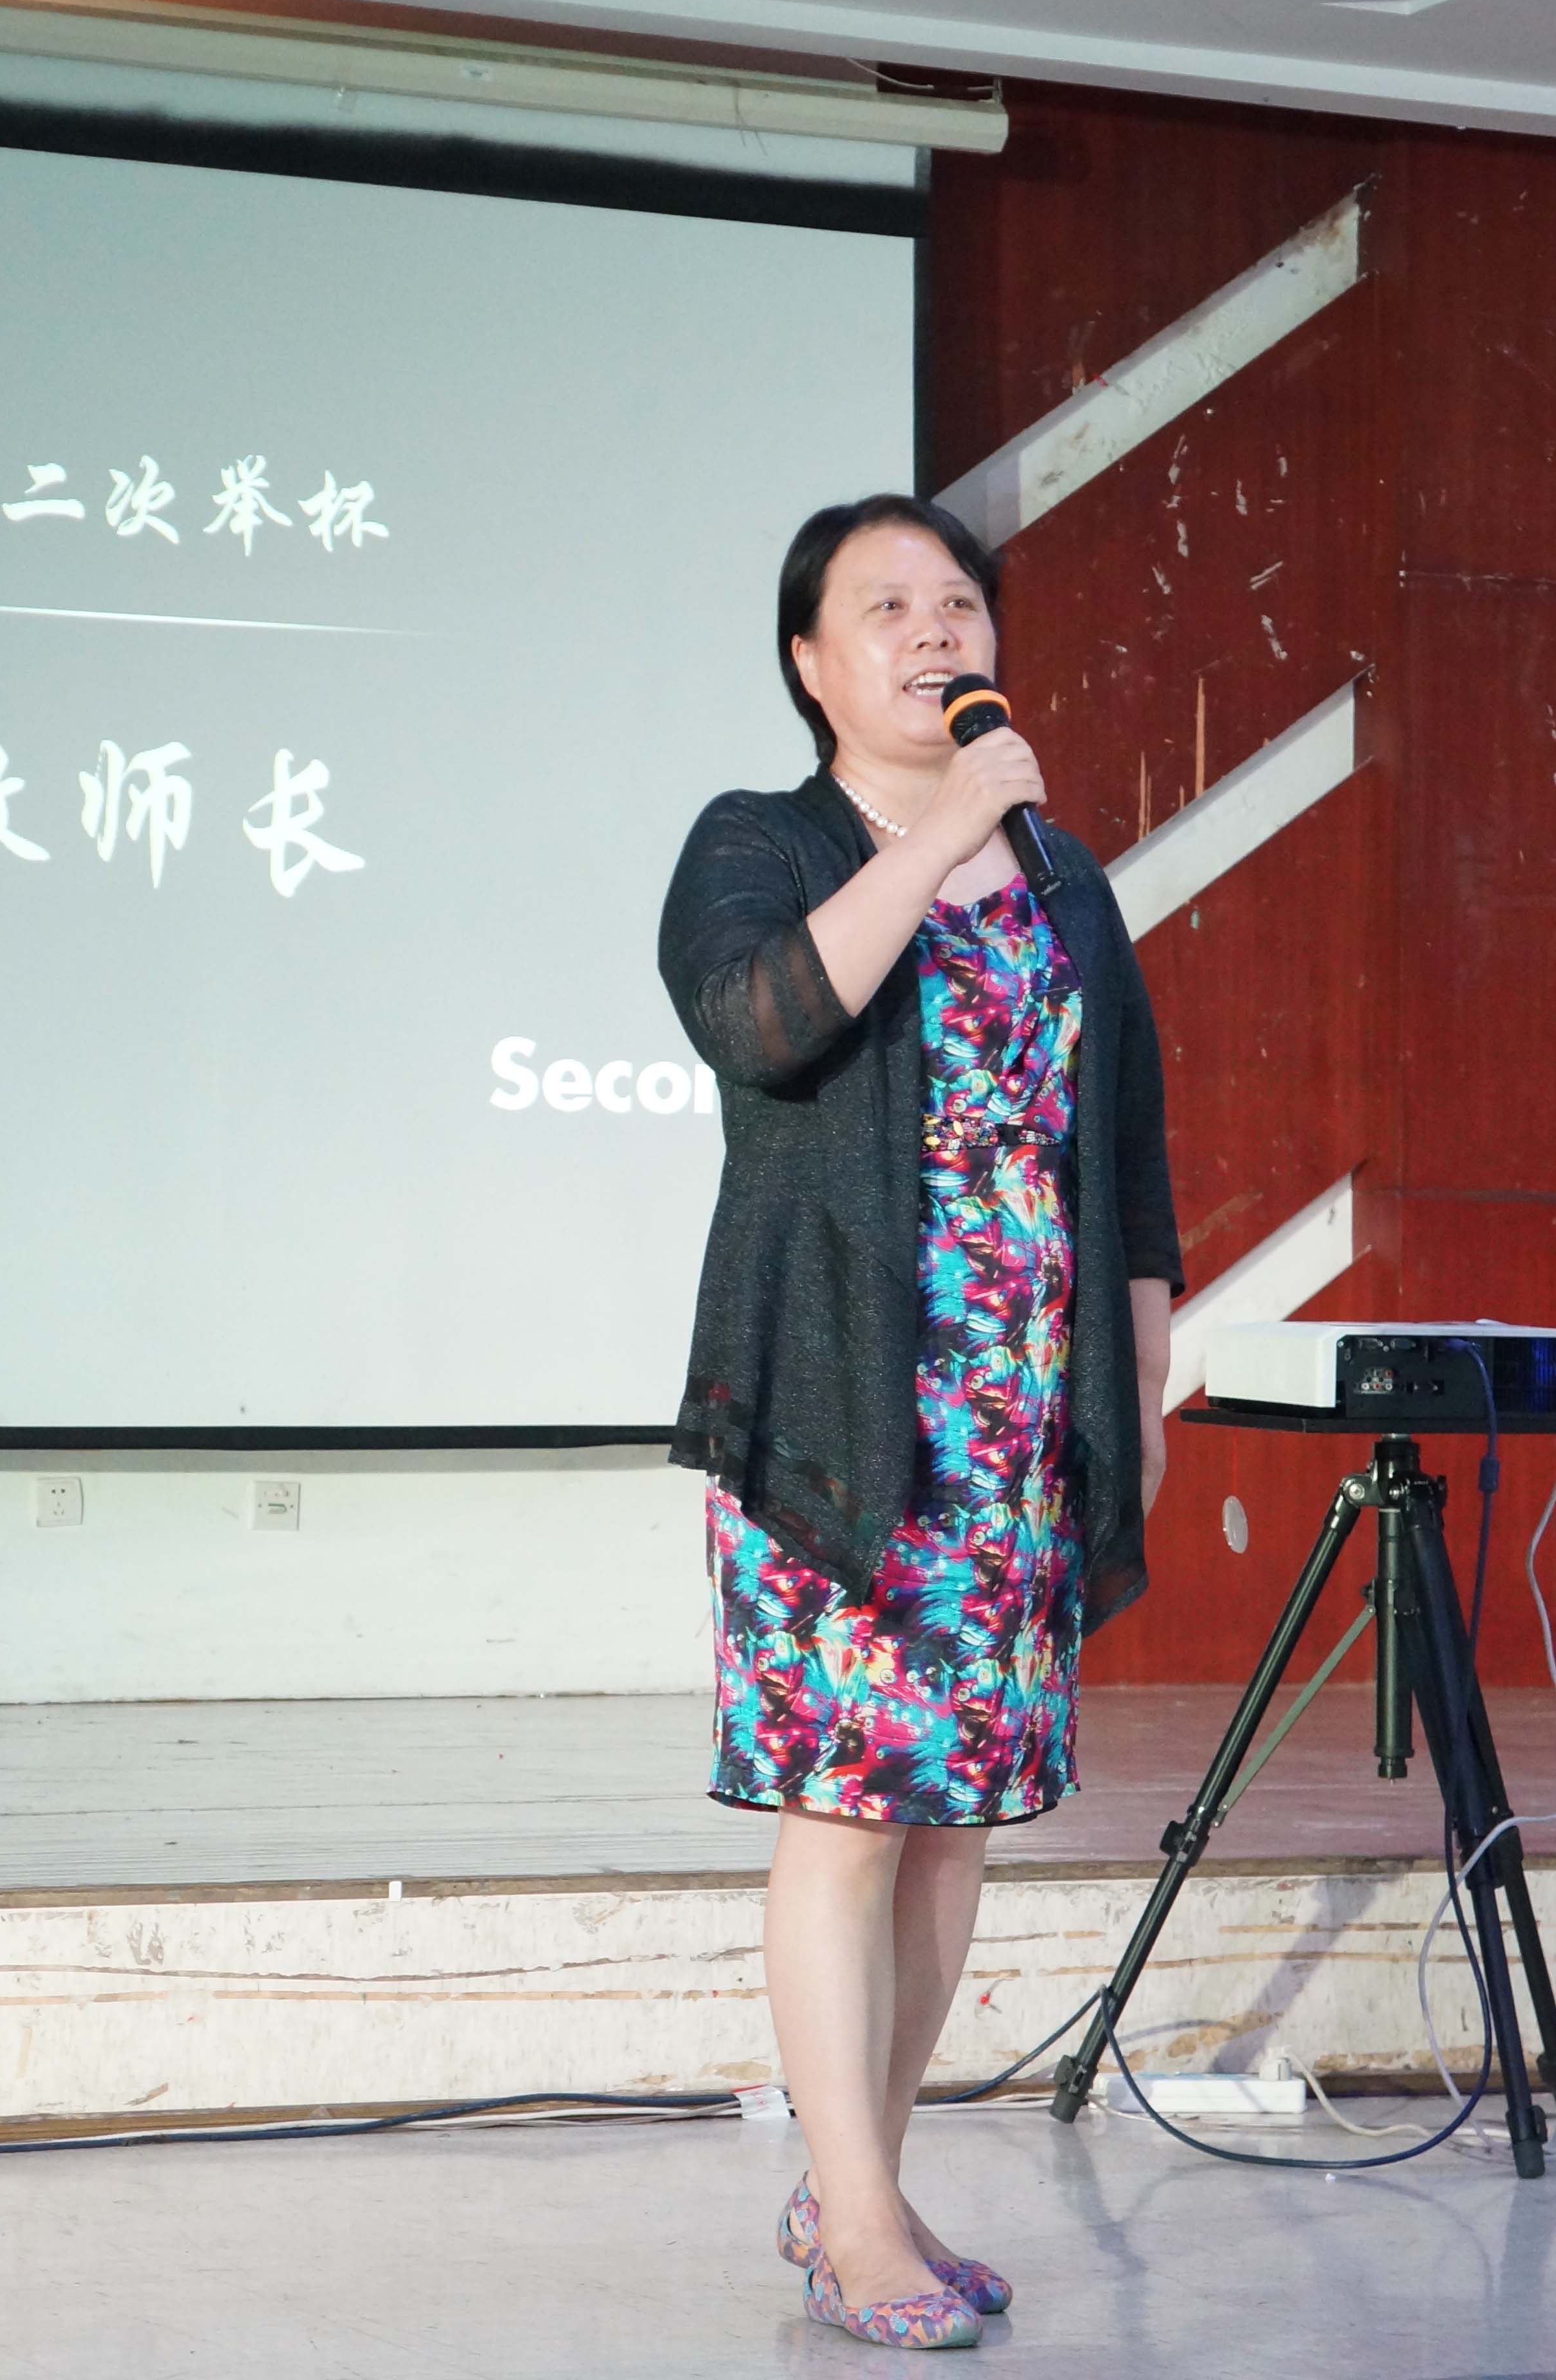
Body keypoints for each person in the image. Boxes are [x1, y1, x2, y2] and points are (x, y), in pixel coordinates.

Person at [657, 494, 1182, 2351]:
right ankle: (864, 2222)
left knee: (953, 1827)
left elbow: (1127, 1151)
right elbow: (762, 1021)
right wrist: (941, 830)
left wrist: (1142, 1385)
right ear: (811, 661)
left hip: (1016, 1429)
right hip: (835, 1418)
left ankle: (856, 2190)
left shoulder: (1063, 878)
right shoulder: (761, 841)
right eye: (887, 606)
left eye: (959, 599)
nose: (937, 628)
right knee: (850, 1815)